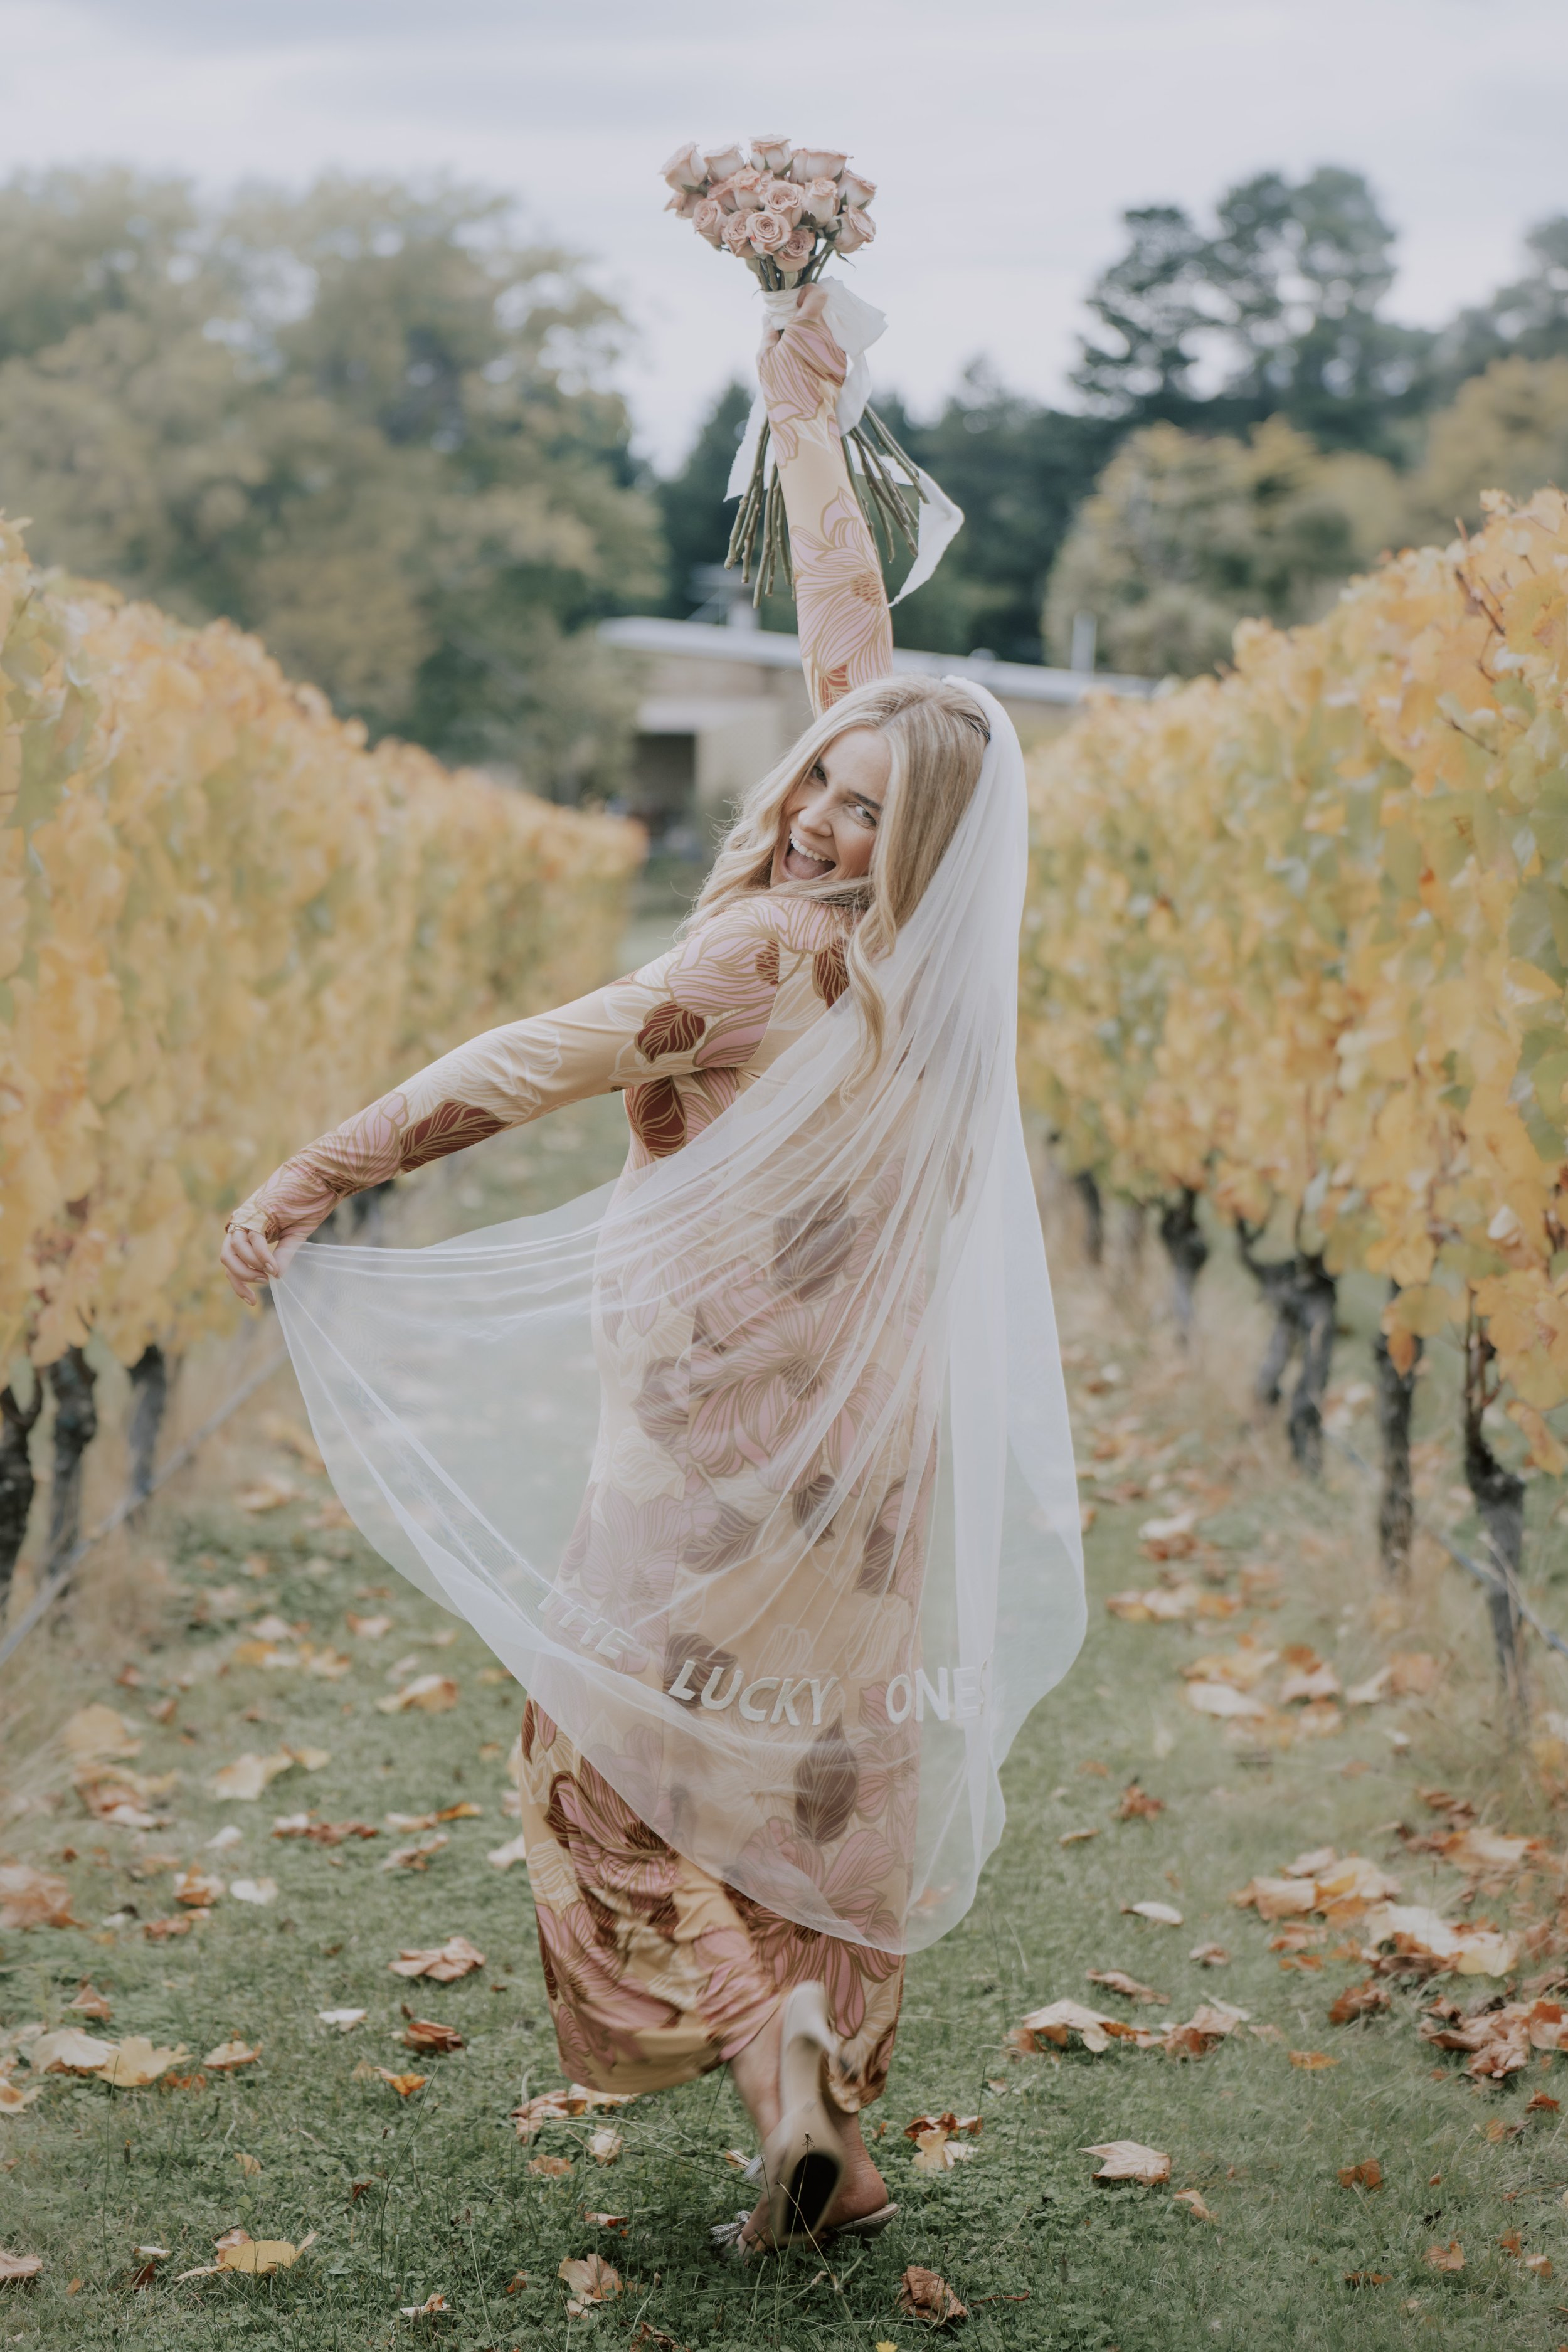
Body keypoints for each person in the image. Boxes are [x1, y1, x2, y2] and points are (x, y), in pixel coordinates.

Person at [221, 285, 1083, 2259]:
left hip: (699, 1436)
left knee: (612, 1750)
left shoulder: (745, 961)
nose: (813, 813)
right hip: (872, 1459)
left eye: (855, 818)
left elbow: (522, 1066)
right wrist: (811, 417)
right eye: (819, 786)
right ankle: (829, 2137)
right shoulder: (933, 990)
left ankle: (766, 2058)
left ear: (904, 853)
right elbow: (862, 673)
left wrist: (322, 1169)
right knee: (806, 1772)